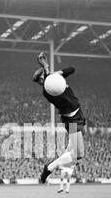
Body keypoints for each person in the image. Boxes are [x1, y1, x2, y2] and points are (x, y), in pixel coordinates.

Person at [32, 52, 86, 184]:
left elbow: (72, 69)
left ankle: (61, 159)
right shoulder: (48, 91)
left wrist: (55, 72)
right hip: (71, 120)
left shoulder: (55, 78)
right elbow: (50, 82)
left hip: (78, 114)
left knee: (80, 154)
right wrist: (47, 68)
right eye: (39, 81)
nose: (40, 83)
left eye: (40, 80)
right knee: (74, 154)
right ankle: (49, 168)